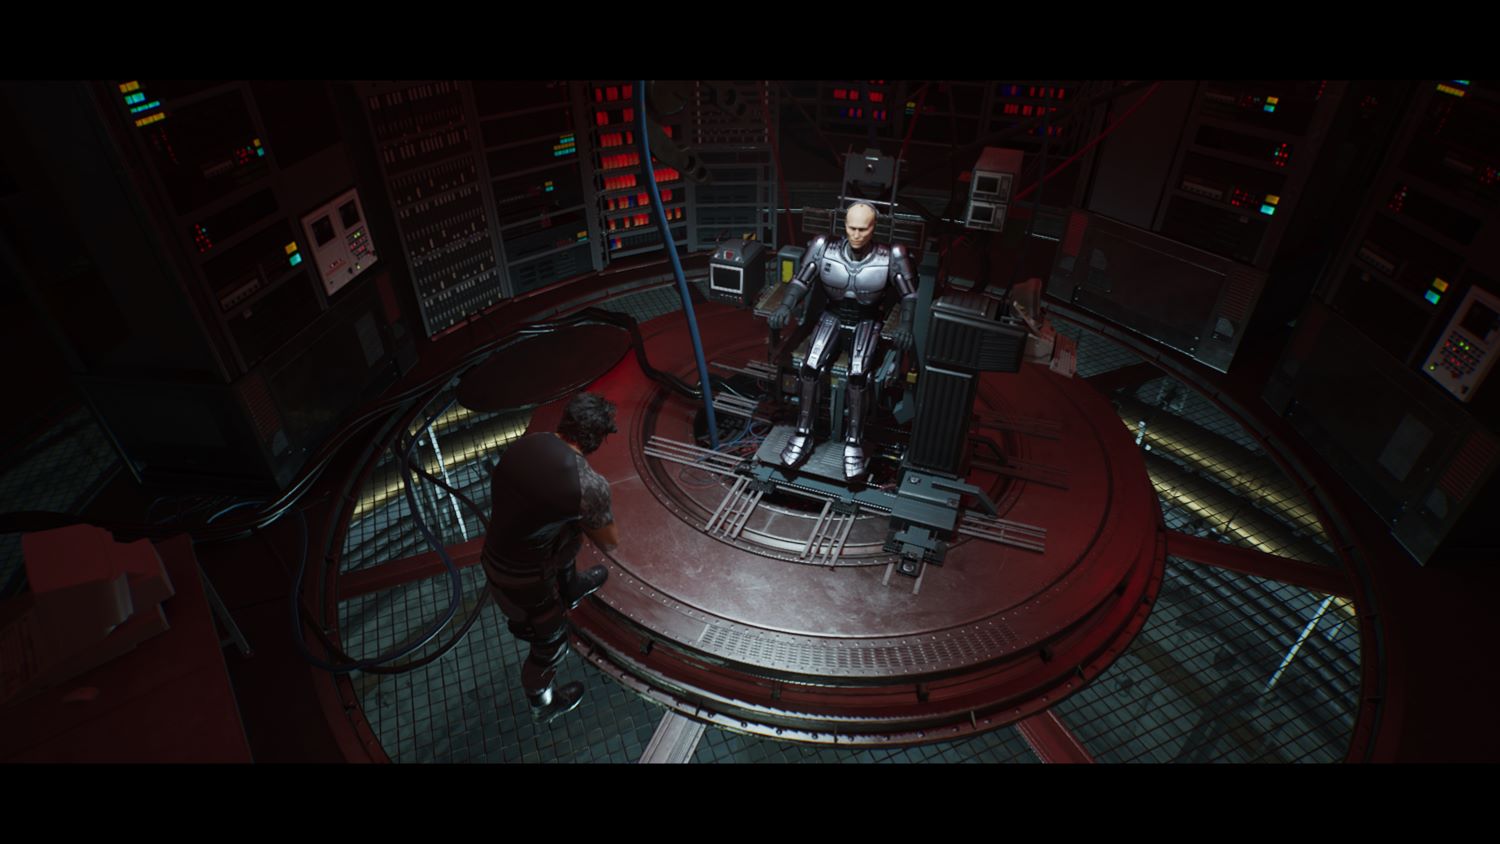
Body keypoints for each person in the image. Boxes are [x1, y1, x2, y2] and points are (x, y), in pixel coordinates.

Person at [480, 392, 619, 724]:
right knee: (550, 643)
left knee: (567, 529)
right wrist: (592, 507)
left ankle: (570, 587)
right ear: (598, 438)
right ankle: (542, 703)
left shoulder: (528, 444)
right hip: (524, 581)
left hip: (498, 551)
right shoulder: (587, 486)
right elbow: (609, 542)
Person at [767, 202, 918, 479]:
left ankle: (853, 441)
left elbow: (909, 294)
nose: (857, 234)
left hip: (867, 318)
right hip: (833, 314)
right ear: (844, 225)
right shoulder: (824, 247)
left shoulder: (891, 255)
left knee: (858, 375)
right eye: (852, 227)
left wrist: (906, 325)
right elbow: (801, 281)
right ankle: (803, 432)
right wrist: (786, 306)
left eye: (863, 229)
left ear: (873, 228)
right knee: (809, 367)